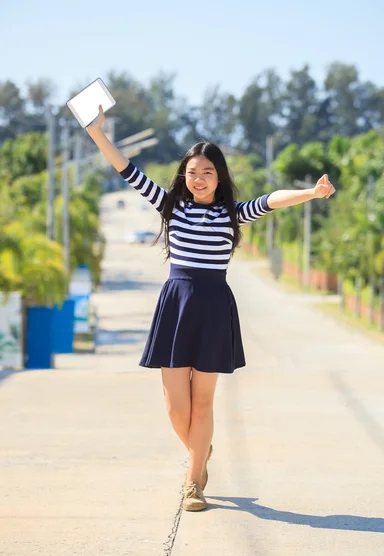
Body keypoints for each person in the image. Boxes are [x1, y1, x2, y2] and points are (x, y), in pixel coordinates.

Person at [86, 106, 336, 512]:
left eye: (207, 172)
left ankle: (192, 482)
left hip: (214, 308)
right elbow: (126, 169)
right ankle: (200, 453)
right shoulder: (171, 206)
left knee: (202, 403)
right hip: (176, 305)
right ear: (183, 176)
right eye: (192, 172)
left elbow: (271, 200)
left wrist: (311, 192)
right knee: (174, 405)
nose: (198, 179)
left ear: (219, 177)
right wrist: (97, 133)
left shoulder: (231, 214)